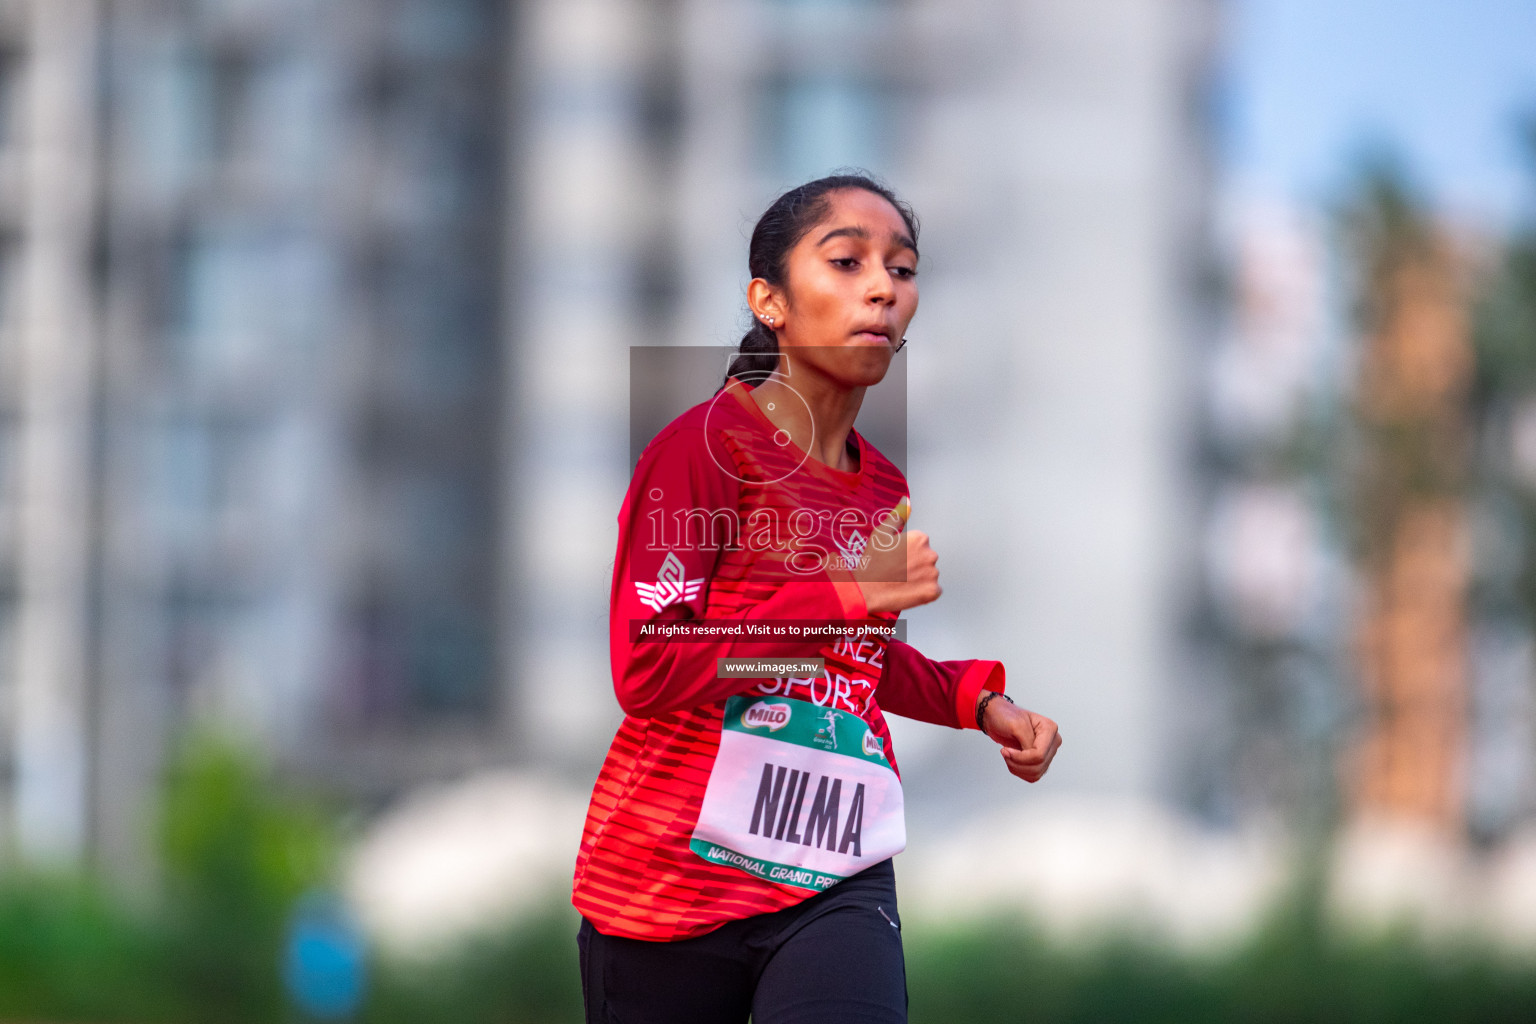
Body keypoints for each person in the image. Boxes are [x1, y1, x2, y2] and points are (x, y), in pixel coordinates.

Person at [573, 174, 1062, 1024]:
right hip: (668, 882)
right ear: (770, 300)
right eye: (846, 262)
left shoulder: (882, 485)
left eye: (902, 271)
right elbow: (647, 667)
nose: (881, 287)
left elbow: (849, 657)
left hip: (834, 864)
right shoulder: (699, 451)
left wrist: (975, 700)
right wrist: (844, 592)